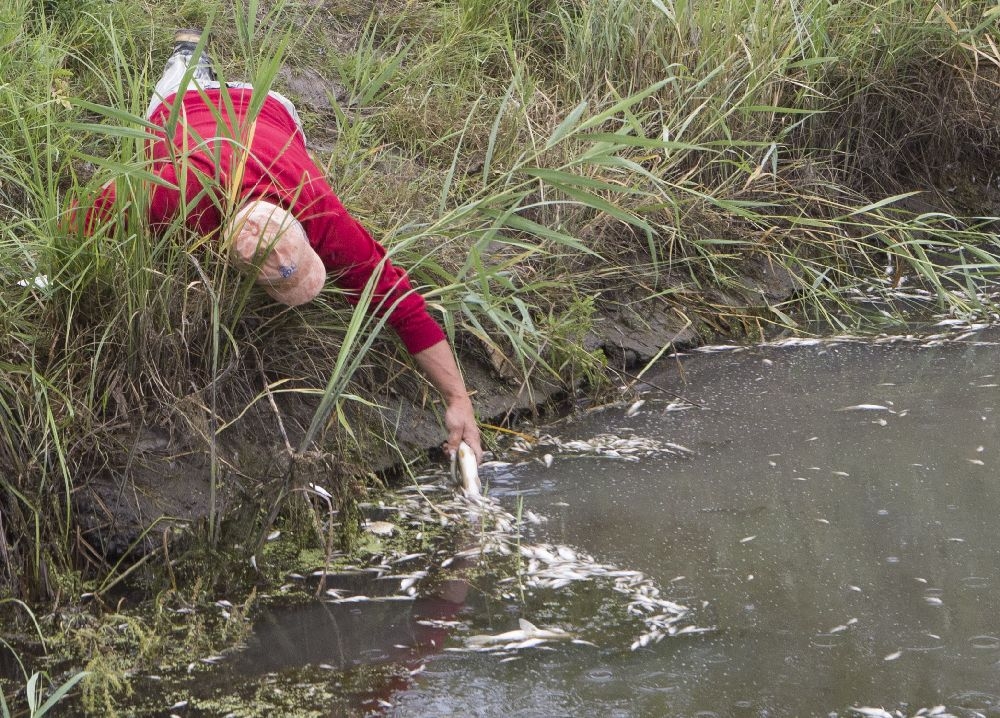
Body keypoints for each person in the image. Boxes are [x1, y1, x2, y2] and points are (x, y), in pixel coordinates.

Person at [85, 29, 482, 462]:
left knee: (283, 141)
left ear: (307, 235)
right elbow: (85, 216)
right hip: (185, 106)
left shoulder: (317, 206)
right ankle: (186, 56)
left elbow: (397, 302)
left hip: (269, 107)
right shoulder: (172, 199)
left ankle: (201, 69)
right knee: (174, 88)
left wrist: (458, 397)